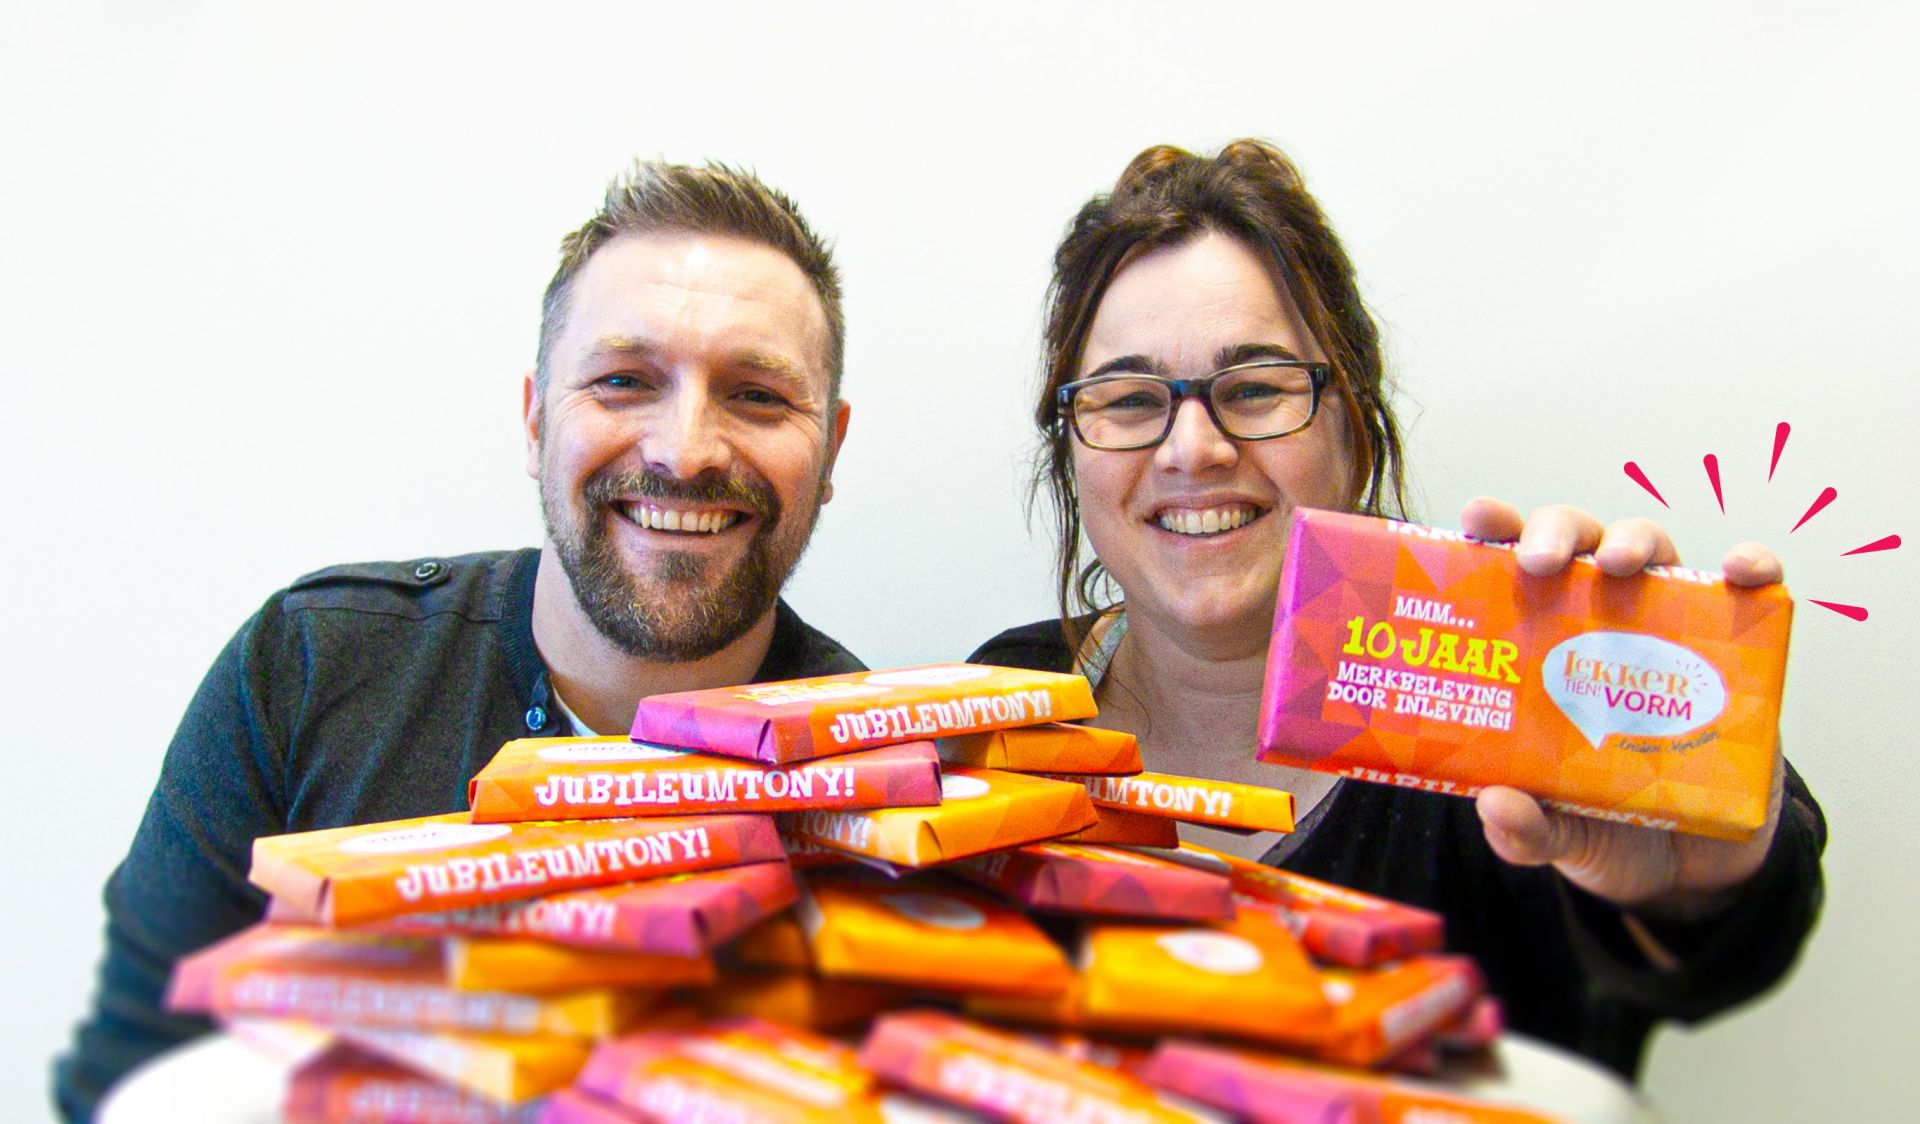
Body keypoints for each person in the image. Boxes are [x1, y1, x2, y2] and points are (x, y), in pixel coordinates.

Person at [971, 140, 1825, 1081]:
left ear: (1354, 423)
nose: (1193, 448)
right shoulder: (998, 713)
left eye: (1254, 389)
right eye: (1130, 400)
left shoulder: (1519, 715)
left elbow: (1715, 956)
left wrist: (1695, 894)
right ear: (1071, 453)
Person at [55, 160, 865, 1120]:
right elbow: (133, 1074)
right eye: (622, 381)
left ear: (830, 451)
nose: (684, 451)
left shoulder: (883, 785)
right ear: (534, 422)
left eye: (758, 396)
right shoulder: (311, 667)